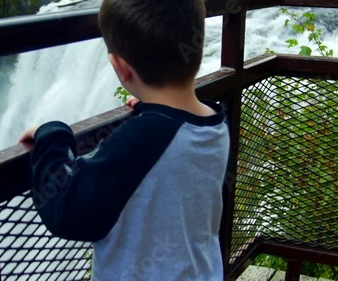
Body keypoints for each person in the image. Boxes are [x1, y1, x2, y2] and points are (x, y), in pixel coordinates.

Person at [18, 0, 230, 280]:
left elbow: (67, 212)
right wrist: (152, 109)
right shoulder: (215, 122)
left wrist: (51, 135)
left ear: (120, 68)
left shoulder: (143, 138)